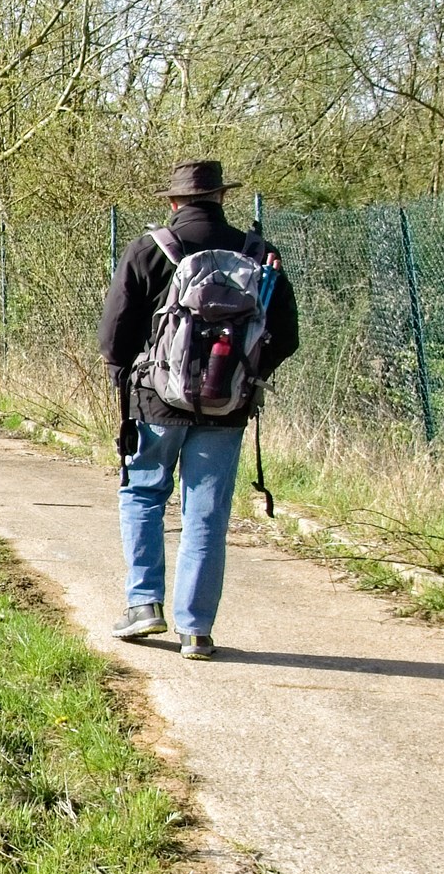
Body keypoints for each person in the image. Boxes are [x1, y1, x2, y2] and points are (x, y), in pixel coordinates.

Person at [98, 160, 300, 659]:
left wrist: (128, 383)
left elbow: (113, 336)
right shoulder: (260, 254)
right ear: (221, 198)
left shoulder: (151, 249)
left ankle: (144, 605)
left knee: (144, 495)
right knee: (206, 514)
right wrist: (244, 378)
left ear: (173, 201)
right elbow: (286, 337)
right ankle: (197, 629)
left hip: (155, 402)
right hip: (227, 405)